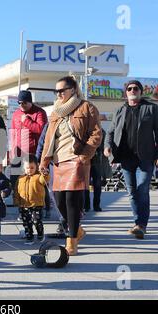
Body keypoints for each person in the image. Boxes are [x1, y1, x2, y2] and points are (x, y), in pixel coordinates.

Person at [40, 76, 102, 256]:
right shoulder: (55, 112)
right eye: (56, 91)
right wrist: (44, 161)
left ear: (73, 89)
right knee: (59, 201)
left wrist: (85, 155)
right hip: (58, 162)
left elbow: (96, 134)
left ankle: (72, 241)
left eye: (62, 90)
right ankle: (78, 229)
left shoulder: (86, 107)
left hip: (77, 159)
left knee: (71, 201)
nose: (59, 94)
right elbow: (48, 140)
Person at [104, 80, 158, 239]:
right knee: (132, 192)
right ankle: (137, 223)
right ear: (126, 92)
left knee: (142, 188)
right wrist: (107, 147)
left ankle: (141, 224)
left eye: (135, 88)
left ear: (140, 91)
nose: (132, 91)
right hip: (126, 158)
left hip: (145, 158)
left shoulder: (151, 108)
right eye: (129, 89)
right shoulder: (120, 110)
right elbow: (110, 132)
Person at [10, 90, 47, 189]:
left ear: (30, 101)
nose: (22, 105)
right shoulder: (16, 114)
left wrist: (26, 121)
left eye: (24, 103)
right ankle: (18, 200)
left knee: (35, 181)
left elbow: (42, 130)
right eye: (19, 103)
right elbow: (13, 133)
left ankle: (42, 203)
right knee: (16, 180)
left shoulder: (39, 112)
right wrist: (12, 151)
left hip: (33, 153)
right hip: (18, 153)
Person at [14, 154, 49, 245]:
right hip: (23, 204)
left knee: (36, 220)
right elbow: (16, 190)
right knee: (26, 222)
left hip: (36, 204)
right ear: (23, 168)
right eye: (27, 168)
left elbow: (44, 180)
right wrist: (16, 200)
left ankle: (40, 233)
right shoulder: (20, 178)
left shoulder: (38, 177)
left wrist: (44, 173)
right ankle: (29, 236)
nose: (29, 170)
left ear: (36, 167)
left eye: (32, 168)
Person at [84, 128, 106, 212]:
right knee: (86, 184)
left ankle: (96, 205)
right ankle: (87, 205)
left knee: (97, 184)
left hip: (96, 160)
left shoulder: (100, 130)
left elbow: (103, 146)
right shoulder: (85, 129)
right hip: (87, 159)